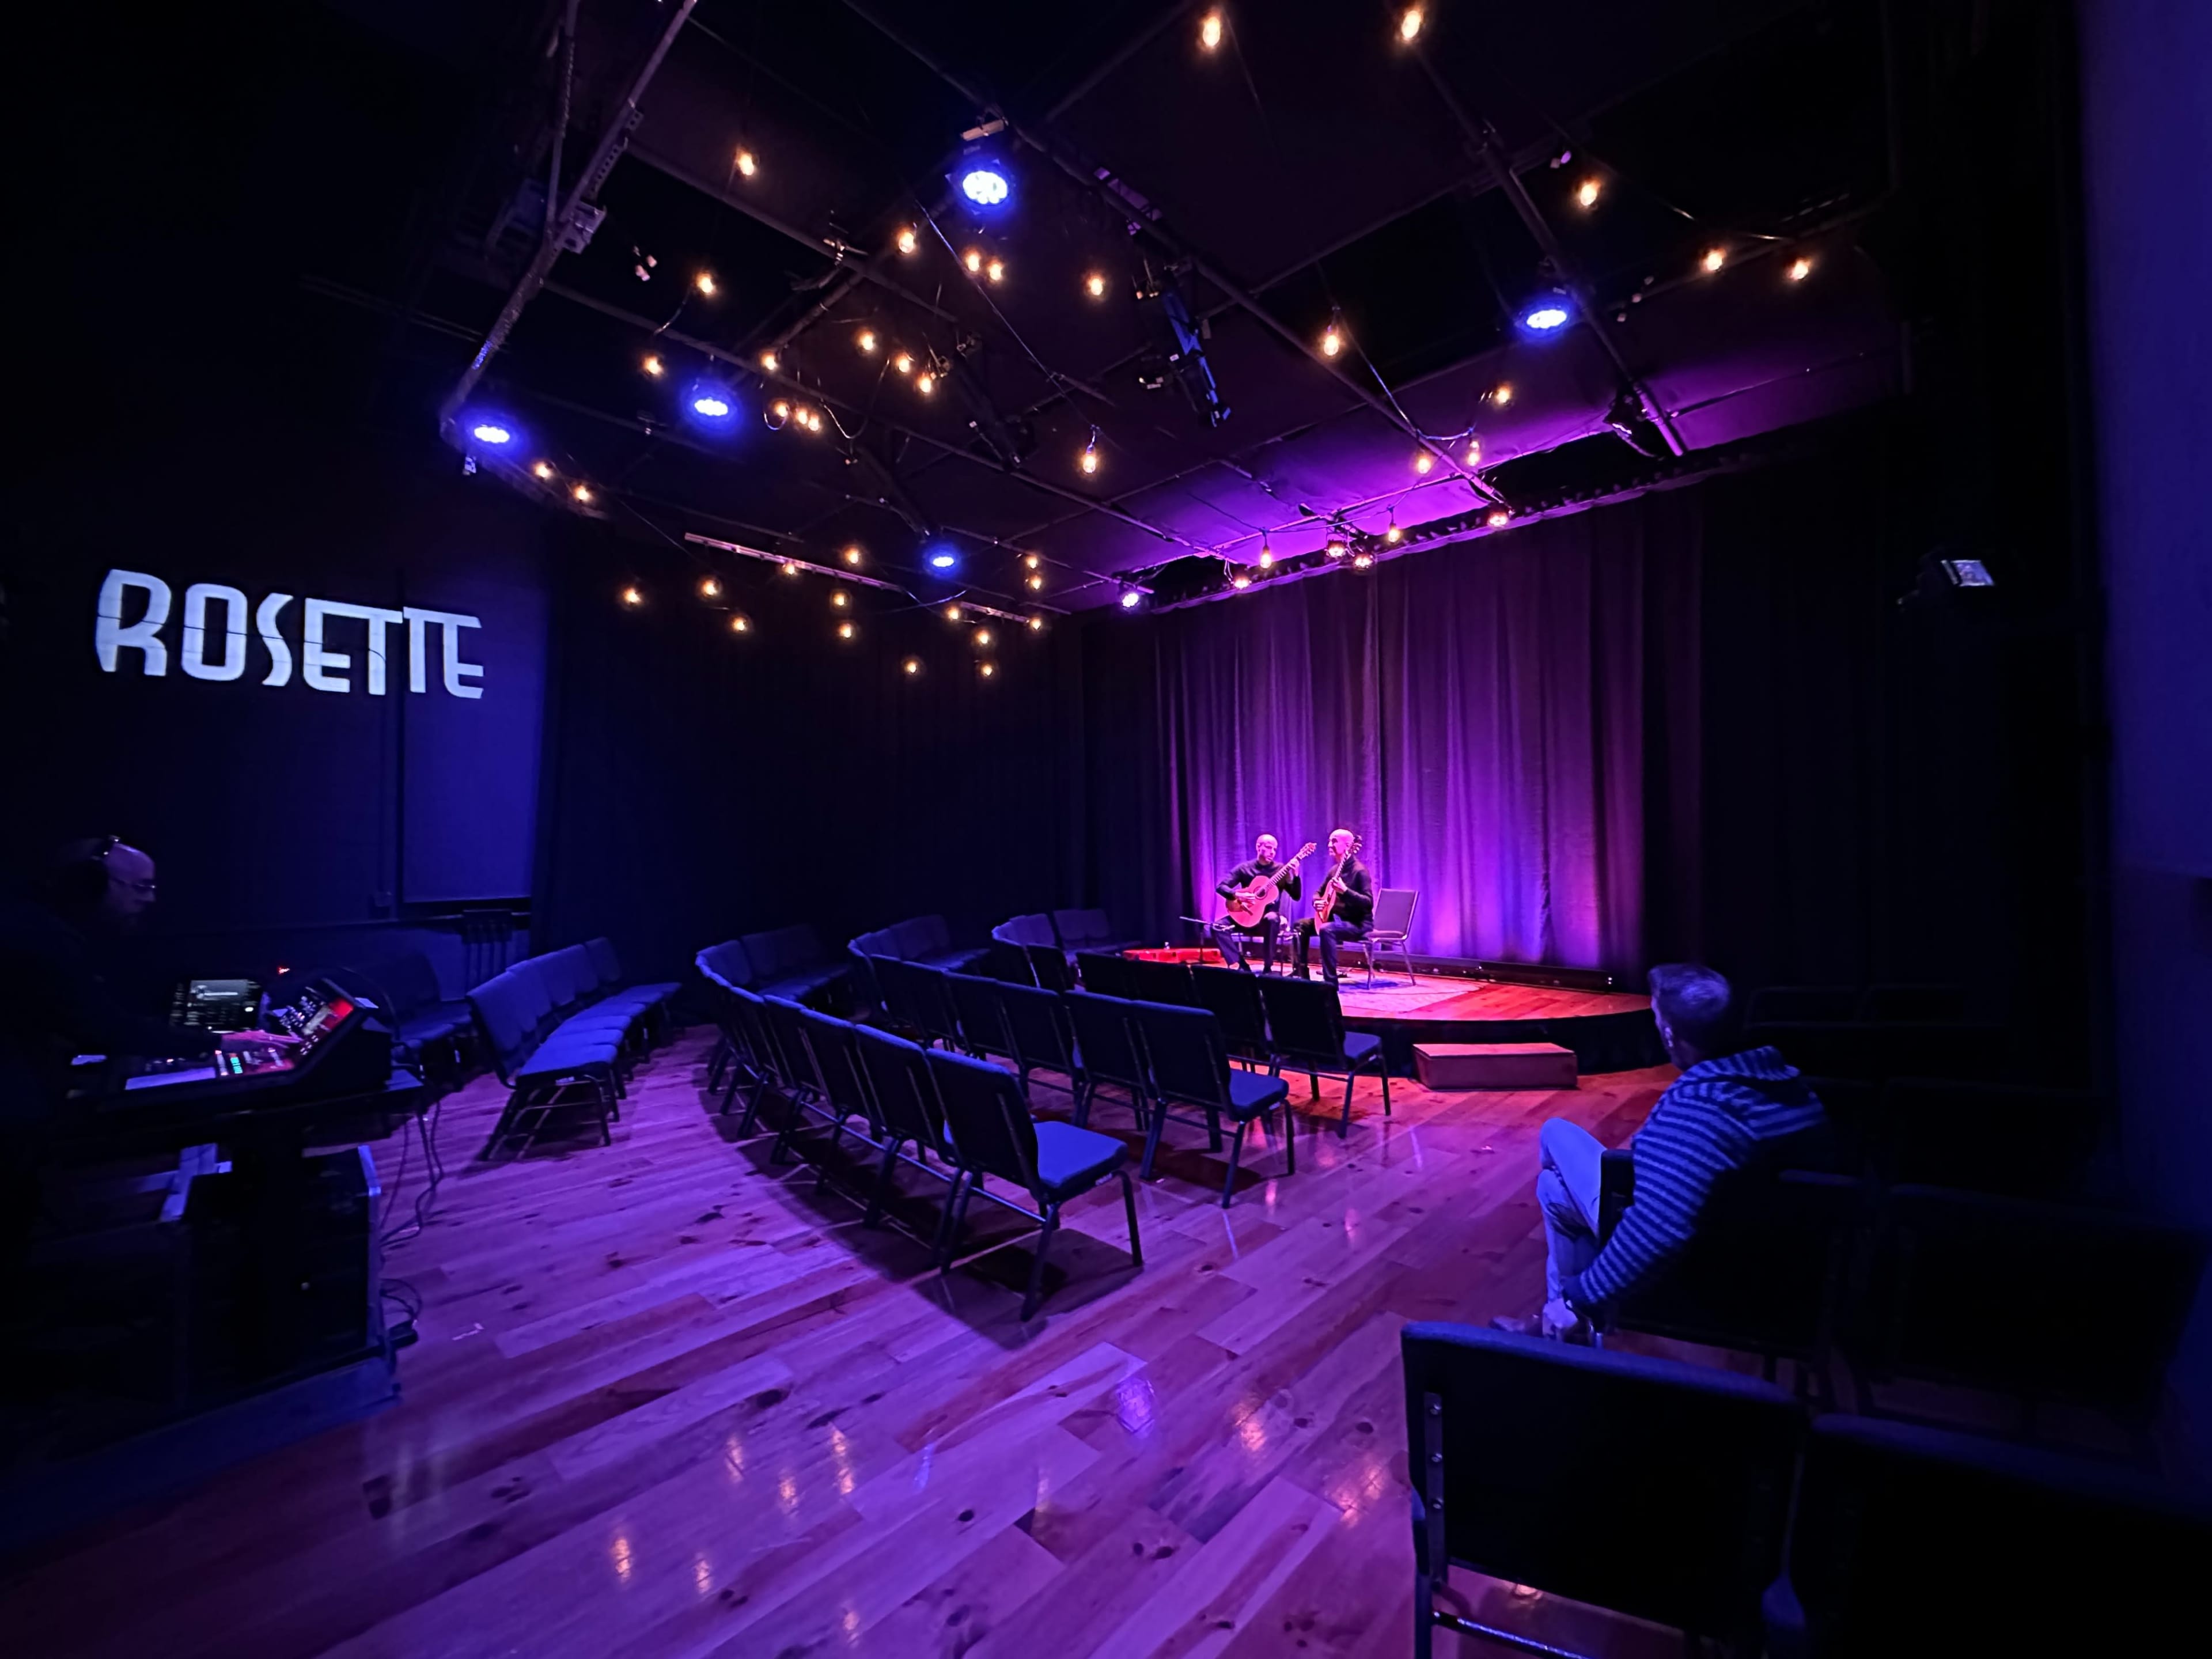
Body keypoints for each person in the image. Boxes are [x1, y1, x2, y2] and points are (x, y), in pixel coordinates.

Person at [1493, 963, 1829, 1342]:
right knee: (1554, 1186)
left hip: (1711, 1271)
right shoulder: (1789, 1083)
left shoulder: (1698, 1107)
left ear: (1669, 1033)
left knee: (1554, 1151)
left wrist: (1578, 1297)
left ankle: (1563, 1321)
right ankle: (1562, 1333)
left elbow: (1660, 1231)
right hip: (1785, 1265)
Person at [1212, 834, 1302, 974]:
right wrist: (1238, 894)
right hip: (1245, 917)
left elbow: (1296, 896)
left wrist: (1296, 875)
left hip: (1267, 923)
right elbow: (1221, 887)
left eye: (1275, 849)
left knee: (1272, 918)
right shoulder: (1245, 869)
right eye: (1268, 847)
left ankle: (1268, 968)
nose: (1272, 852)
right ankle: (1241, 964)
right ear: (1258, 847)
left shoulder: (1281, 870)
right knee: (1217, 926)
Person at [1294, 828, 1372, 984]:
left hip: (1358, 924)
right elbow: (1318, 893)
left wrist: (1345, 891)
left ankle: (1330, 982)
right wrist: (1317, 902)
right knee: (1300, 925)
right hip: (1336, 920)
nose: (1330, 844)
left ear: (1349, 845)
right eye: (1330, 841)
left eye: (1334, 841)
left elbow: (1368, 903)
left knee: (1326, 929)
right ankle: (1302, 974)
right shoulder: (1334, 871)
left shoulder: (1360, 871)